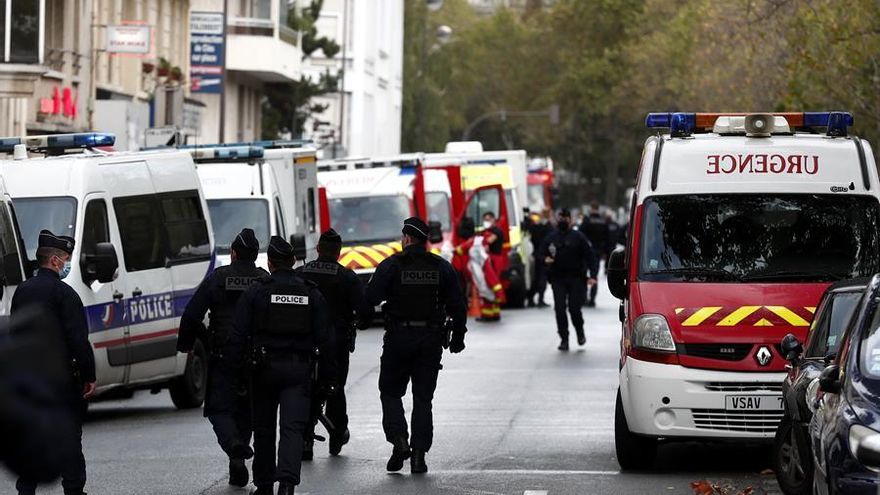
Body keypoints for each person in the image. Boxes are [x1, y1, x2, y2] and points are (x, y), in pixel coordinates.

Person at [224, 236, 334, 495]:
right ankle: (286, 484)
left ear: (270, 263)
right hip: (299, 369)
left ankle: (264, 485)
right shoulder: (310, 292)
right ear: (293, 261)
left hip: (263, 369)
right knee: (292, 428)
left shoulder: (257, 291)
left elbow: (237, 334)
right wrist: (329, 378)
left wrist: (233, 373)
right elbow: (326, 339)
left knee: (263, 427)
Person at [367, 217, 467, 474]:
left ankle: (399, 440)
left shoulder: (391, 265)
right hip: (430, 340)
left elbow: (371, 297)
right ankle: (419, 457)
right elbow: (457, 304)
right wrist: (458, 337)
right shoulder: (441, 267)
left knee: (390, 391)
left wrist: (361, 320)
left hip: (398, 338)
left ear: (408, 238)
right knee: (423, 398)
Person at [178, 228, 267, 487]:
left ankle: (234, 448)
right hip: (256, 358)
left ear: (234, 253)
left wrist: (186, 344)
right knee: (247, 410)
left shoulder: (218, 279)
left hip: (224, 355)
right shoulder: (263, 280)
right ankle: (237, 458)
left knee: (219, 409)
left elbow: (192, 314)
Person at [11, 230, 96, 495]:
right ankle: (73, 490)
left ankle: (26, 490)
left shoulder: (22, 292)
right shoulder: (64, 294)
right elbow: (78, 340)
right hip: (60, 379)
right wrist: (88, 376)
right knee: (69, 437)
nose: (67, 263)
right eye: (67, 259)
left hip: (28, 379)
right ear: (56, 261)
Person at [295, 228, 371, 459]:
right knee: (335, 388)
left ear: (317, 249)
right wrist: (360, 322)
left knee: (303, 389)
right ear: (339, 253)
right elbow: (365, 312)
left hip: (303, 343)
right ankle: (337, 435)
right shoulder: (347, 277)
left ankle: (305, 439)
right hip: (336, 344)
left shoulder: (300, 274)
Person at [542, 210, 598, 351]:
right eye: (560, 217)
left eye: (566, 218)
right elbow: (540, 253)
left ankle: (579, 331)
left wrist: (593, 275)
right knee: (559, 308)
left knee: (574, 309)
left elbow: (590, 256)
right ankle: (564, 339)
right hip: (557, 278)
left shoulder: (578, 237)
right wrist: (545, 259)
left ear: (570, 220)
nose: (563, 220)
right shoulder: (551, 238)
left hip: (576, 279)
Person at [578, 201, 609, 307]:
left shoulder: (587, 220)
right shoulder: (603, 221)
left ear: (591, 208)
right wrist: (605, 251)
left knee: (583, 274)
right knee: (594, 274)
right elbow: (607, 237)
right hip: (598, 251)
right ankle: (592, 299)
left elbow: (580, 234)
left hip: (586, 250)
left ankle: (584, 297)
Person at [524, 208, 553, 307]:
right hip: (545, 255)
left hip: (536, 253)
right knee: (543, 278)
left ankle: (531, 298)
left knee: (536, 277)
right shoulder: (549, 227)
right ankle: (540, 299)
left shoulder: (536, 226)